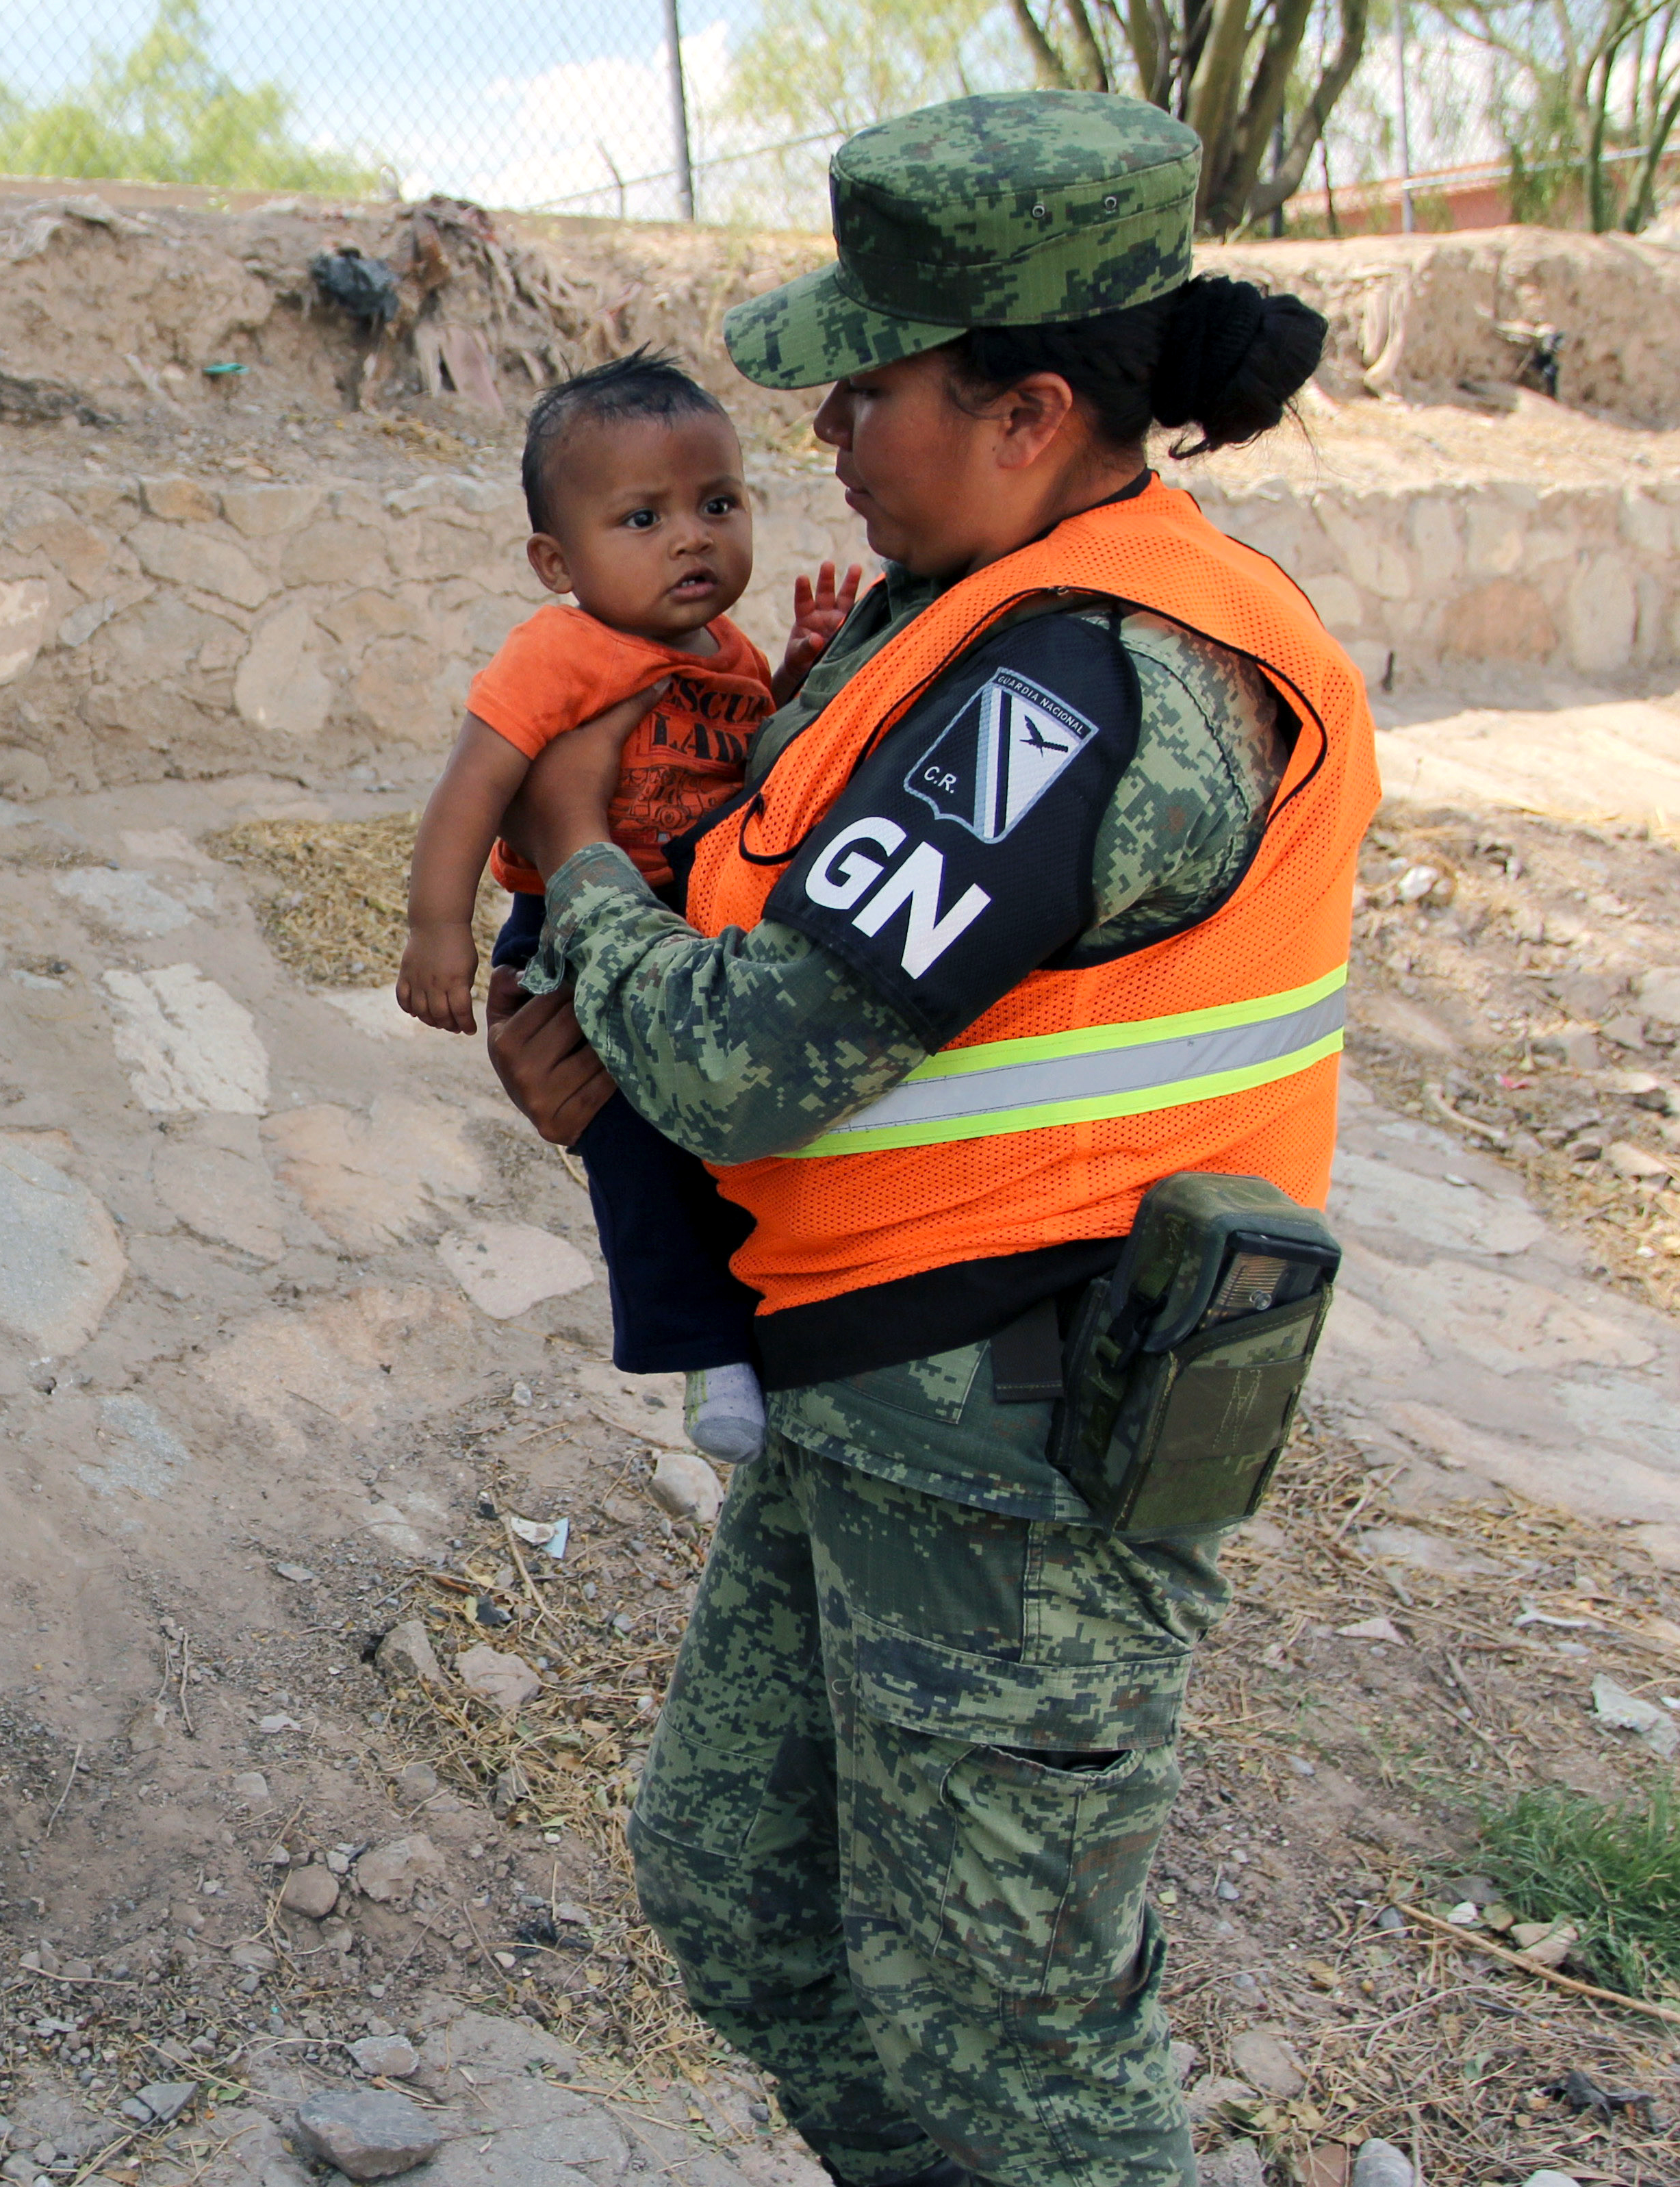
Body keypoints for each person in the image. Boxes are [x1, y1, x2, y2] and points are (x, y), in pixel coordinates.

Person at [481, 92, 1371, 2187]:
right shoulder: (957, 613)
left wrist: (573, 873)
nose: (831, 439)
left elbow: (755, 1051)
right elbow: (759, 942)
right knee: (741, 1892)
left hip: (1021, 1473)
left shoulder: (1080, 683)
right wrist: (604, 1009)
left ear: (1030, 409)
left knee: (1026, 2063)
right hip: (871, 1412)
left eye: (866, 391)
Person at [394, 349, 861, 1460]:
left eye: (717, 504)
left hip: (689, 918)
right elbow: (474, 785)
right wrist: (436, 931)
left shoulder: (727, 648)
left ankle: (755, 1318)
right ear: (557, 560)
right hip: (574, 925)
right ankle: (706, 1352)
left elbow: (747, 759)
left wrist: (795, 675)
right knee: (633, 1141)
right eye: (642, 518)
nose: (693, 538)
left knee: (721, 1130)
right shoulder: (559, 650)